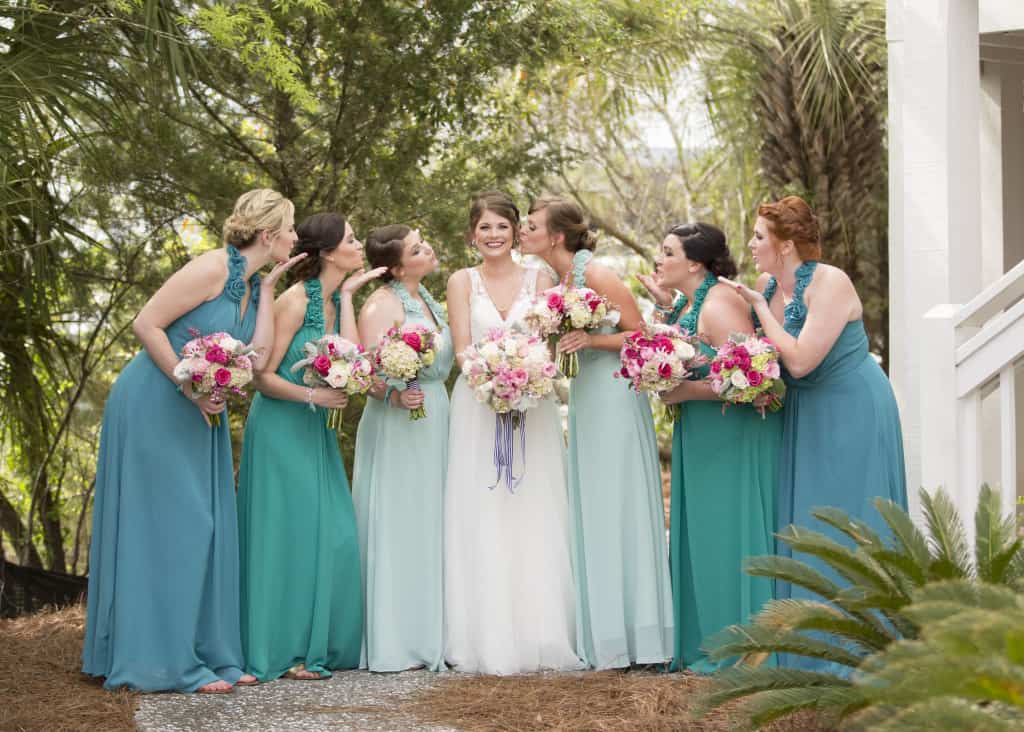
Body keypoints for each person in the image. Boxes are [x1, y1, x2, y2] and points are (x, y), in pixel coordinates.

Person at [83, 189, 302, 693]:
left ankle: (211, 654)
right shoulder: (211, 269)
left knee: (207, 528)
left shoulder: (250, 285)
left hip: (203, 410)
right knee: (177, 527)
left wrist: (268, 291)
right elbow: (146, 324)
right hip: (155, 403)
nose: (295, 236)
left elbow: (260, 354)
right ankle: (166, 661)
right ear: (269, 235)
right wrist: (187, 381)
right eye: (290, 228)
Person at [722, 195, 907, 671]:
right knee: (811, 521)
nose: (752, 244)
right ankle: (810, 651)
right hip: (807, 409)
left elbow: (801, 358)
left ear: (785, 245)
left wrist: (761, 308)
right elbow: (776, 361)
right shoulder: (770, 282)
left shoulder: (830, 282)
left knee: (853, 516)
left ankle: (863, 652)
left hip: (853, 408)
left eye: (760, 237)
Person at [520, 195, 673, 670]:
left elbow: (643, 334)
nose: (522, 231)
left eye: (531, 225)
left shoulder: (599, 275)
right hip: (586, 395)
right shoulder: (559, 281)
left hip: (614, 393)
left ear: (556, 236)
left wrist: (592, 339)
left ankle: (640, 636)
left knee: (617, 502)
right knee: (593, 505)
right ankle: (604, 634)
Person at [237, 213, 384, 681]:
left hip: (316, 429)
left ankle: (317, 643)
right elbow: (262, 376)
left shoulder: (339, 298)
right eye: (351, 239)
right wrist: (313, 394)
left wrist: (347, 297)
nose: (358, 245)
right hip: (282, 425)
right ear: (326, 251)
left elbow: (357, 361)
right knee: (290, 535)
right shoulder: (295, 301)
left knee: (333, 532)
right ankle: (283, 647)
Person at [444, 191, 582, 674]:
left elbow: (546, 340)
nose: (494, 235)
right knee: (482, 507)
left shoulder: (539, 277)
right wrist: (491, 376)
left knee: (533, 507)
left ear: (516, 230)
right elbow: (462, 347)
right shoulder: (461, 281)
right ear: (471, 234)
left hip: (534, 401)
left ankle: (540, 632)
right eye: (485, 227)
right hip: (477, 402)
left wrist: (525, 376)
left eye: (503, 226)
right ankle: (482, 635)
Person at [638, 223, 780, 673]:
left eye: (667, 253)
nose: (658, 261)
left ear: (695, 262)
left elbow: (758, 383)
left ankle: (742, 648)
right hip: (700, 436)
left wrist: (685, 392)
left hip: (729, 437)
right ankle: (707, 638)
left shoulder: (720, 304)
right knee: (701, 534)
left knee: (725, 535)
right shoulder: (688, 302)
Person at [352, 225, 451, 671]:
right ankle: (398, 638)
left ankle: (432, 630)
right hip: (398, 421)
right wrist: (393, 394)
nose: (427, 247)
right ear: (395, 267)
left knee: (432, 518)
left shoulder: (426, 300)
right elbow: (365, 372)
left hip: (435, 416)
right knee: (402, 518)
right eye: (417, 247)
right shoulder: (380, 304)